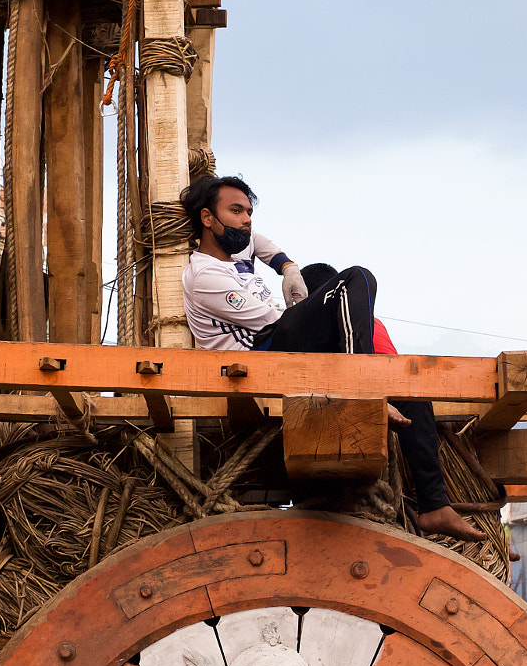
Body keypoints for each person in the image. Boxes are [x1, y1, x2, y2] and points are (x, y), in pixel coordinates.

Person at [180, 175, 484, 544]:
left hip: (281, 347)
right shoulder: (205, 275)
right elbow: (274, 322)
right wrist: (318, 312)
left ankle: (434, 504)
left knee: (407, 386)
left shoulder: (235, 247)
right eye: (236, 211)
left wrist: (287, 267)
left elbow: (259, 243)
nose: (246, 220)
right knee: (353, 280)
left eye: (249, 212)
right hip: (260, 361)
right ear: (207, 219)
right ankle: (362, 384)